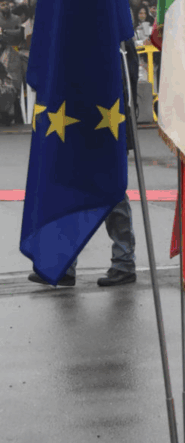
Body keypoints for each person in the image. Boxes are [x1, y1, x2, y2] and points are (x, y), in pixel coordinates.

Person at [28, 39, 140, 287]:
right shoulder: (77, 25)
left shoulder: (115, 29)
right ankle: (65, 266)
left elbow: (126, 78)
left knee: (113, 195)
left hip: (107, 123)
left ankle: (124, 263)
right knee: (71, 194)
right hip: (77, 122)